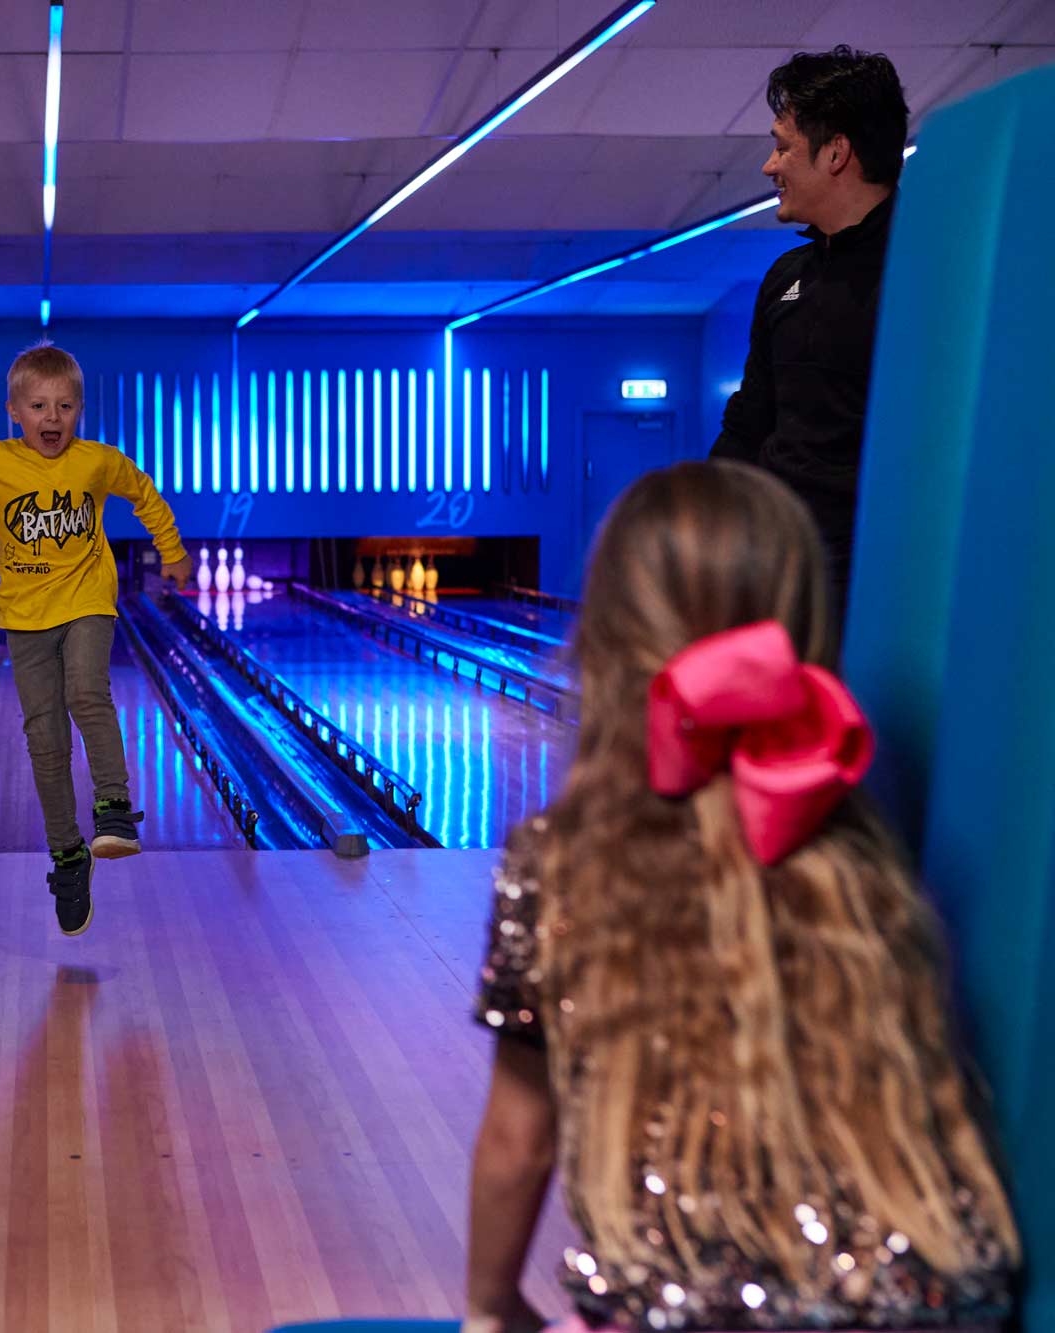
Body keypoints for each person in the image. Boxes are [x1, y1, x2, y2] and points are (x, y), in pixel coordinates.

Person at [463, 462, 1017, 1333]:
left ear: (604, 641)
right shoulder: (860, 846)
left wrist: (489, 1307)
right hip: (943, 1302)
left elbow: (517, 1143)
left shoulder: (563, 862)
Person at [0, 342, 193, 936]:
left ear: (79, 409)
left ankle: (113, 809)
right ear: (15, 411)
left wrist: (173, 551)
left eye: (64, 406)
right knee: (46, 741)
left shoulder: (97, 460)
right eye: (38, 406)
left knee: (88, 692)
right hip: (24, 617)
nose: (52, 418)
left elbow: (144, 493)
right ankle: (67, 855)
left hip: (88, 600)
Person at [712, 47, 909, 614]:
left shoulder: (926, 270)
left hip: (878, 590)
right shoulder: (785, 280)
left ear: (836, 153)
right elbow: (750, 422)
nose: (768, 167)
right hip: (783, 577)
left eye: (782, 147)